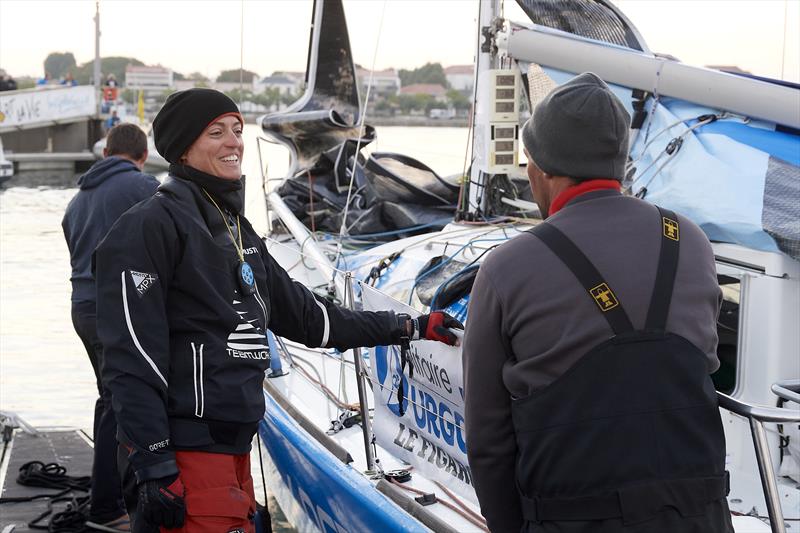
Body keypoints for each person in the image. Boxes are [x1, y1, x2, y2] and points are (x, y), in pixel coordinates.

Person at [94, 88, 463, 533]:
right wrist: (154, 462)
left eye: (236, 130)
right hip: (186, 454)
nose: (234, 142)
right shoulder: (149, 226)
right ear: (183, 149)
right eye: (216, 132)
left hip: (235, 450)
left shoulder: (237, 230)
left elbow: (312, 319)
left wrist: (411, 325)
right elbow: (131, 356)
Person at [462, 73, 732, 533]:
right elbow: (703, 359)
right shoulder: (690, 240)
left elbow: (488, 438)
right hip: (699, 519)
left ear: (542, 169)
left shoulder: (507, 267)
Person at [62, 123, 159, 532]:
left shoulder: (76, 200)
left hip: (82, 306)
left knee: (110, 400)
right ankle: (110, 507)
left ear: (106, 154)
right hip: (117, 310)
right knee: (128, 403)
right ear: (141, 156)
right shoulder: (144, 187)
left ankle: (111, 500)